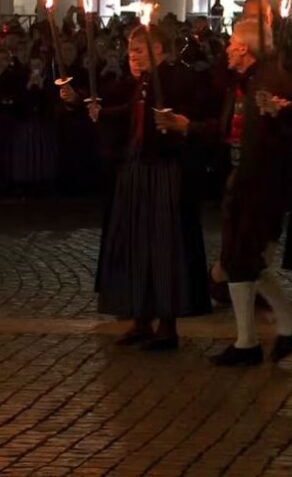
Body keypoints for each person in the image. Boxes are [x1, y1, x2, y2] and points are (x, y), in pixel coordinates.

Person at [95, 23, 212, 351]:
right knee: (135, 243)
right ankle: (140, 317)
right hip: (136, 167)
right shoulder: (140, 82)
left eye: (139, 50)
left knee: (164, 245)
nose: (133, 56)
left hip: (164, 171)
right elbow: (128, 110)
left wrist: (176, 124)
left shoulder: (178, 78)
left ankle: (167, 324)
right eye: (130, 50)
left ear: (158, 50)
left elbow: (190, 117)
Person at [206, 18, 292, 367]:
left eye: (232, 43)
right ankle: (252, 338)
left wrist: (281, 112)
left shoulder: (273, 80)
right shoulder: (241, 82)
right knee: (239, 261)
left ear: (244, 48)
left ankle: (274, 331)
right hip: (239, 178)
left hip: (262, 184)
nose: (227, 48)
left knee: (245, 258)